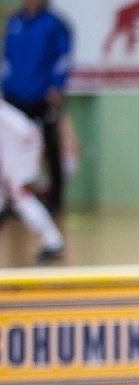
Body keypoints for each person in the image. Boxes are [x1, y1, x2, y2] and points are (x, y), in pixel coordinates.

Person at [2, 0, 70, 215]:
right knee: (10, 149)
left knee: (51, 147)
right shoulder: (15, 22)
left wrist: (57, 86)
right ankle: (14, 200)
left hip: (43, 95)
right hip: (16, 96)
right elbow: (7, 58)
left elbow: (64, 56)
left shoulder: (54, 24)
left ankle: (55, 202)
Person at [0, 97, 60, 261]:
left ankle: (53, 242)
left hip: (21, 167)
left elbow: (32, 136)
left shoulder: (6, 114)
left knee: (24, 200)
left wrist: (28, 170)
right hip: (14, 167)